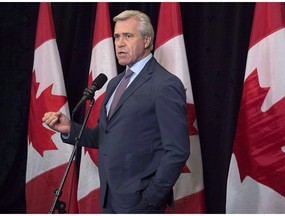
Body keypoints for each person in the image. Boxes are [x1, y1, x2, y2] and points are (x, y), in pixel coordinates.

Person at [43, 10, 190, 213]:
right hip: (110, 198)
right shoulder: (114, 83)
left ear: (147, 40)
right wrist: (70, 129)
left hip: (140, 202)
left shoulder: (165, 85)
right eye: (116, 36)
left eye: (128, 36)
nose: (120, 43)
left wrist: (151, 198)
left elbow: (177, 151)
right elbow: (105, 136)